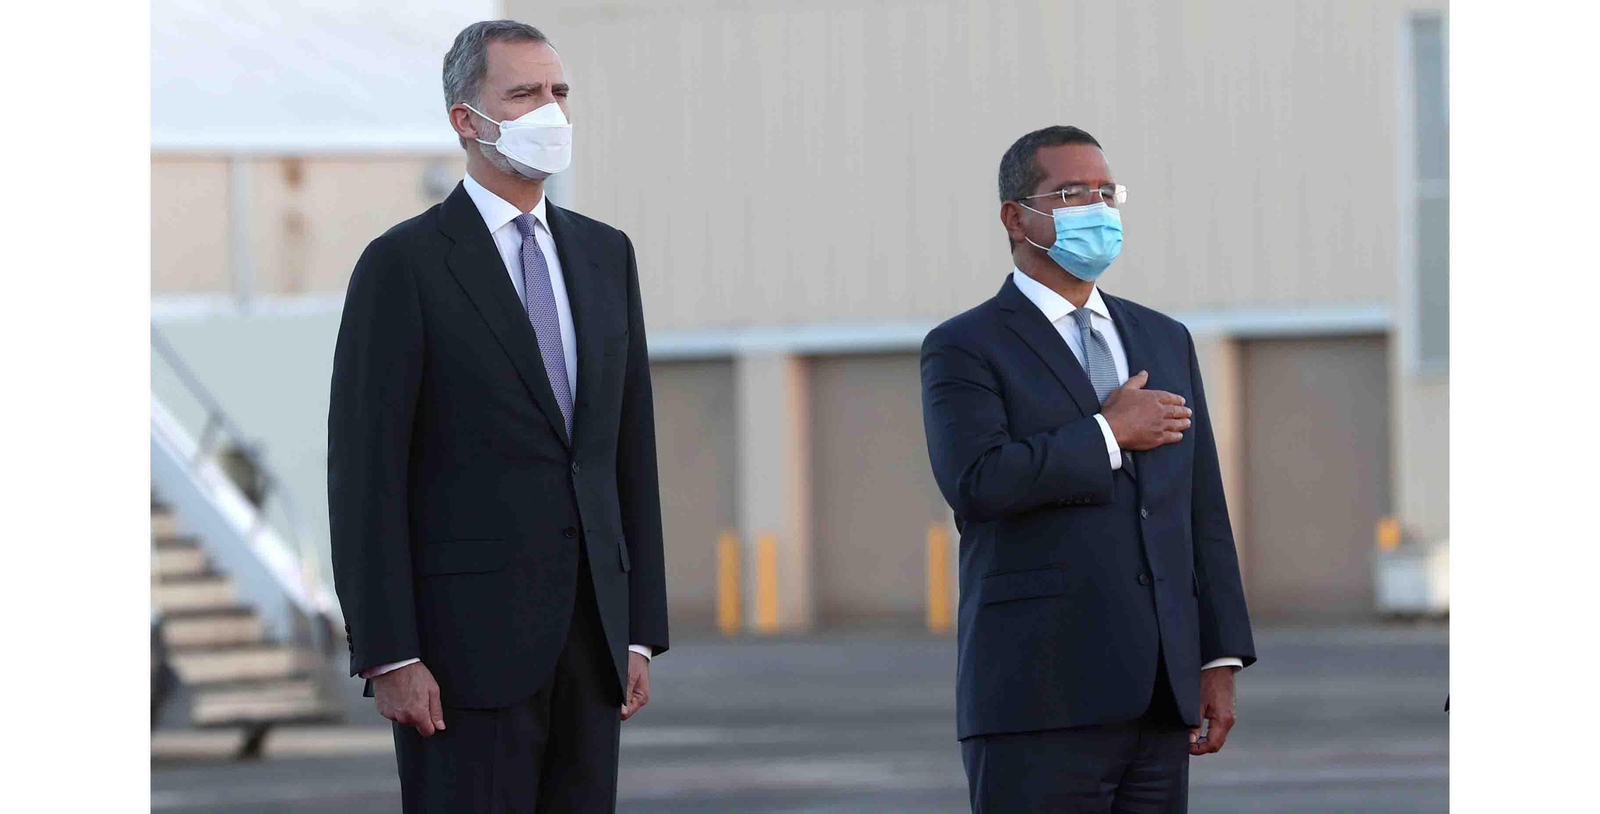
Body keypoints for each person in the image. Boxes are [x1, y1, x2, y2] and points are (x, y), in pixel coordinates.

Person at [327, 20, 668, 813]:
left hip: (592, 647)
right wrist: (390, 655)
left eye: (558, 94)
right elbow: (365, 472)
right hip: (458, 659)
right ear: (465, 120)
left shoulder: (604, 255)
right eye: (523, 95)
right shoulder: (403, 265)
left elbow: (626, 450)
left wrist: (639, 627)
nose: (549, 112)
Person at [919, 125, 1257, 812]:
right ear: (1018, 216)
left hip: (1159, 696)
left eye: (1107, 193)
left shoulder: (1163, 337)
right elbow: (977, 481)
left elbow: (1199, 508)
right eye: (1072, 193)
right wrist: (1108, 432)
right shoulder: (966, 346)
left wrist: (1218, 658)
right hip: (1037, 694)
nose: (1097, 209)